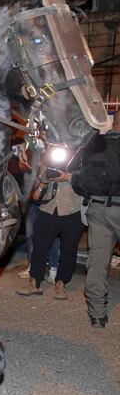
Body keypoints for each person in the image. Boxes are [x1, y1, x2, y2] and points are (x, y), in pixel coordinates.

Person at [70, 113, 120, 328]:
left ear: (113, 122)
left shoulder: (93, 144)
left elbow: (75, 177)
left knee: (98, 262)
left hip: (98, 208)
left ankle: (97, 314)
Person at [16, 153, 84, 300]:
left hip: (72, 210)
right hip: (47, 209)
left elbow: (88, 184)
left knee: (69, 250)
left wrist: (68, 177)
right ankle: (34, 282)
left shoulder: (81, 160)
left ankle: (61, 283)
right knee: (39, 247)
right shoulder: (48, 160)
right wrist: (44, 180)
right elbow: (35, 194)